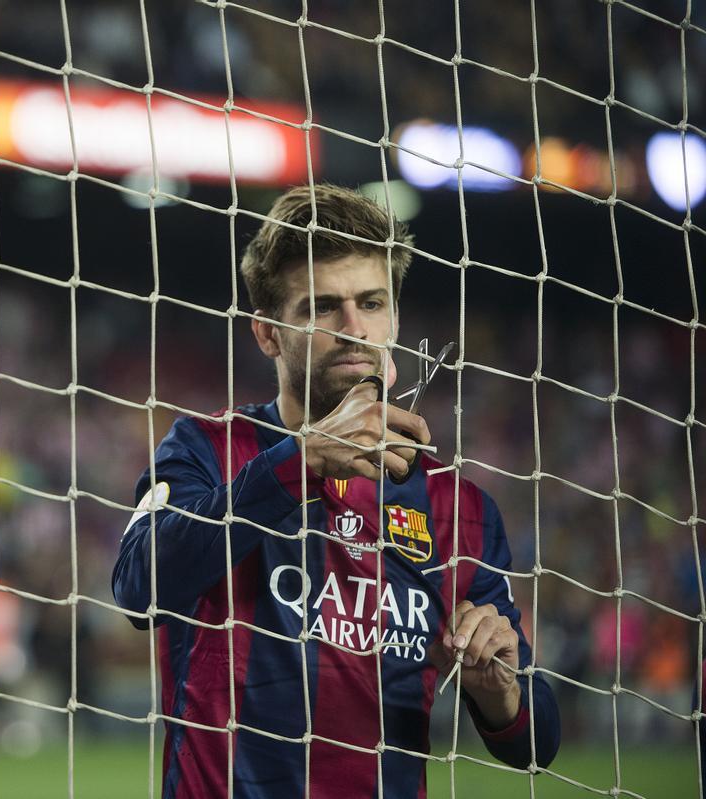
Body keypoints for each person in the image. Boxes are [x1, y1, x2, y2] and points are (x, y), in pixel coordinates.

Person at [112, 184, 560, 798]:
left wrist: (498, 690)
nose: (354, 329)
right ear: (268, 334)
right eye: (322, 307)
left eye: (372, 302)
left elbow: (537, 744)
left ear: (395, 317)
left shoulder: (460, 508)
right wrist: (304, 459)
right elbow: (138, 587)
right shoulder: (205, 450)